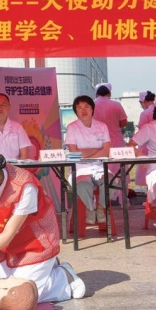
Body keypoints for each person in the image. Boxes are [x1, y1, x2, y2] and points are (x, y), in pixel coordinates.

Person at [0, 149, 85, 302]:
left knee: (24, 295)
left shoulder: (25, 187)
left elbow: (9, 232)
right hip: (4, 245)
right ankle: (47, 268)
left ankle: (64, 276)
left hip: (34, 241)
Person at [64, 96, 109, 225]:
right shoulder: (72, 127)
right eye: (79, 108)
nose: (83, 111)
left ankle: (100, 208)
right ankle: (90, 208)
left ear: (92, 109)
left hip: (99, 166)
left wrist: (86, 154)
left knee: (111, 181)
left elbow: (107, 151)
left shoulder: (102, 126)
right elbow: (74, 152)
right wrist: (96, 150)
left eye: (87, 107)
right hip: (79, 167)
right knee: (82, 184)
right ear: (75, 111)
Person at [92, 83, 128, 149]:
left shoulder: (90, 106)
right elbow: (124, 123)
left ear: (96, 94)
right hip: (116, 143)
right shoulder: (117, 105)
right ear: (110, 94)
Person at [135, 91, 156, 187]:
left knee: (147, 173)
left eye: (141, 103)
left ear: (144, 101)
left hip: (146, 146)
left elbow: (142, 131)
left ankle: (149, 194)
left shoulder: (145, 113)